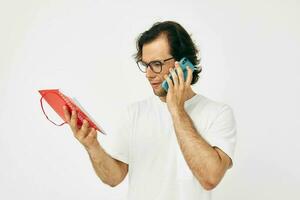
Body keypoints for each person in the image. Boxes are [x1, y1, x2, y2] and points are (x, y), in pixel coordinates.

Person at [63, 21, 237, 200]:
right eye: (146, 64)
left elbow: (210, 178)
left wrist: (176, 110)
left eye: (156, 64)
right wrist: (92, 146)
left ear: (183, 64)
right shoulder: (134, 113)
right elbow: (113, 178)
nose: (149, 74)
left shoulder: (218, 113)